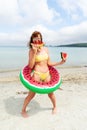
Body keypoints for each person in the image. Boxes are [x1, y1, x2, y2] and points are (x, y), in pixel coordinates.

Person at [21, 31, 67, 117]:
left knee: (51, 93)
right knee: (31, 94)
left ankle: (55, 107)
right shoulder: (31, 51)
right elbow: (30, 66)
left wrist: (61, 62)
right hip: (37, 74)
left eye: (39, 38)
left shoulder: (46, 49)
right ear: (32, 40)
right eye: (35, 38)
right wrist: (34, 52)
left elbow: (49, 63)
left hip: (47, 74)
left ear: (41, 39)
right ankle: (23, 110)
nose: (37, 40)